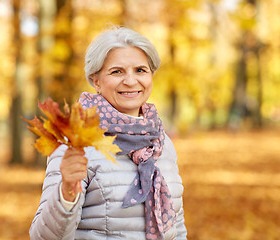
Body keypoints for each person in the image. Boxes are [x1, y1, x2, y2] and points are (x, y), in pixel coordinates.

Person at [29, 26, 187, 240]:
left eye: (140, 70)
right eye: (117, 71)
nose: (131, 81)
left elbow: (175, 224)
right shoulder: (76, 141)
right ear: (96, 81)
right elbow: (42, 237)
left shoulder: (161, 141)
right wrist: (66, 192)